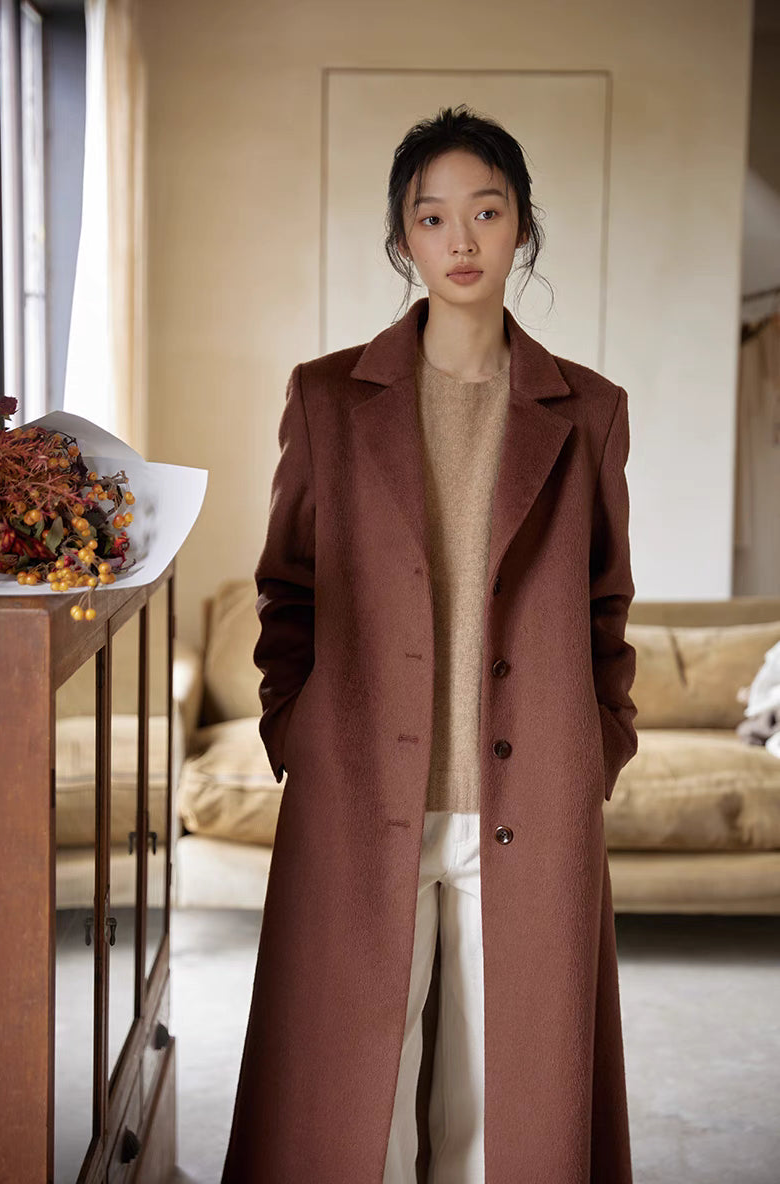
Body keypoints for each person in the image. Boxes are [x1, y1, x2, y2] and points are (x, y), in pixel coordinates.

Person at [222, 104, 638, 1184]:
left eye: (486, 212)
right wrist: (297, 732)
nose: (461, 240)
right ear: (402, 237)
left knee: (498, 1120)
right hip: (362, 785)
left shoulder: (587, 411)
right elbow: (288, 590)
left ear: (522, 229)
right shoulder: (326, 397)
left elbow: (604, 606)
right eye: (433, 215)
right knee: (354, 1108)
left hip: (529, 796)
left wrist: (599, 743)